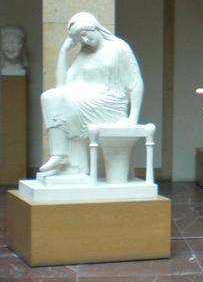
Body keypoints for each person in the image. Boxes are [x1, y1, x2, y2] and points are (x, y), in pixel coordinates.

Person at [39, 12, 143, 174]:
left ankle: (63, 158)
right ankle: (61, 156)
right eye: (80, 39)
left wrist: (133, 117)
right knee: (49, 96)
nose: (85, 41)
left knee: (55, 100)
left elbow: (135, 82)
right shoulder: (84, 53)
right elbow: (61, 86)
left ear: (94, 27)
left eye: (85, 35)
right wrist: (63, 51)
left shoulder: (119, 48)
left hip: (110, 105)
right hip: (86, 102)